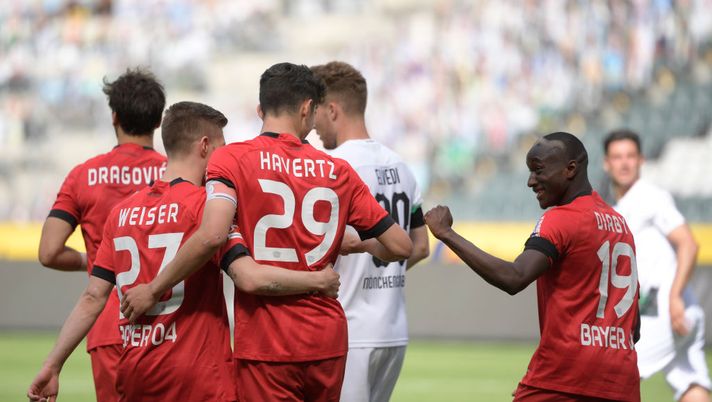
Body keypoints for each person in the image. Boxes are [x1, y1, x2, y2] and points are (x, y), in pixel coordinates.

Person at [119, 62, 413, 402]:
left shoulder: (231, 160)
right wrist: (355, 243)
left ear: (262, 108)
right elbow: (400, 245)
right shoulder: (338, 170)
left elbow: (214, 235)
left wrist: (155, 288)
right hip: (327, 338)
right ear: (306, 108)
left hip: (267, 339)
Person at [28, 101, 342, 402]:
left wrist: (53, 364)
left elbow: (92, 298)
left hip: (137, 372)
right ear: (204, 147)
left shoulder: (122, 213)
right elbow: (248, 276)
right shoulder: (208, 210)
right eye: (221, 147)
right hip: (198, 378)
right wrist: (317, 281)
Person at [425, 132, 641, 401]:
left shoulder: (560, 219)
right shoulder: (620, 225)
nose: (530, 181)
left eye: (538, 171)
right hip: (620, 383)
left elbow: (514, 277)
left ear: (570, 169)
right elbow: (634, 325)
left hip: (564, 379)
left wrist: (446, 234)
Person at [36, 67, 167, 402]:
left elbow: (49, 251)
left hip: (110, 324)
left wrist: (95, 263)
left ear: (114, 117)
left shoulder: (83, 175)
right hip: (170, 324)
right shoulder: (176, 174)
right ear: (157, 121)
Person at [310, 61, 430, 402]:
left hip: (350, 329)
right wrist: (385, 269)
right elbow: (420, 246)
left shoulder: (333, 168)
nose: (313, 126)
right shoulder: (401, 166)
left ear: (332, 110)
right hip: (393, 328)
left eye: (316, 113)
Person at [603, 129, 711, 402]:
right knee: (692, 387)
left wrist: (674, 296)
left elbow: (689, 243)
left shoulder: (651, 196)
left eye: (630, 156)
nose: (624, 163)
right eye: (617, 157)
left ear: (642, 160)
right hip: (683, 313)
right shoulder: (618, 208)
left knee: (610, 379)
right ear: (607, 163)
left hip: (666, 311)